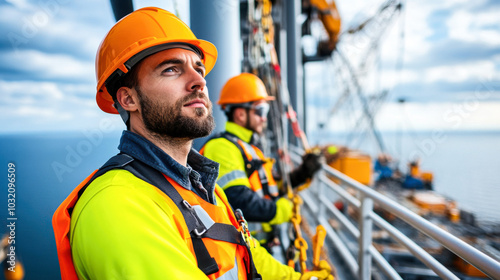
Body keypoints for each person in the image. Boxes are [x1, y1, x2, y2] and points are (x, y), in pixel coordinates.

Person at [52, 7, 330, 280]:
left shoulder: (204, 187)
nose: (199, 81)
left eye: (199, 68)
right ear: (128, 99)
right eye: (172, 69)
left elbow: (249, 254)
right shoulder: (116, 206)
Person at [201, 73, 323, 246]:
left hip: (257, 247)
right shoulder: (222, 148)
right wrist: (283, 210)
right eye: (260, 111)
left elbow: (267, 189)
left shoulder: (250, 148)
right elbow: (239, 201)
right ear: (240, 114)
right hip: (240, 249)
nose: (264, 118)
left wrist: (301, 174)